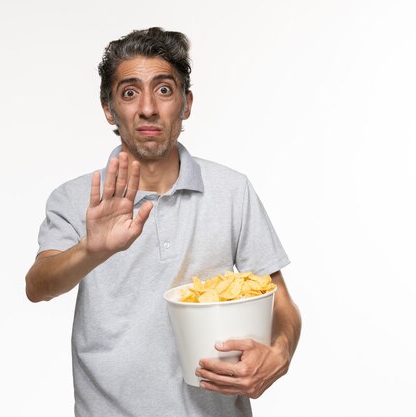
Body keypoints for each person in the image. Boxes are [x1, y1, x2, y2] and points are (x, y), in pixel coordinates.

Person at [26, 27, 301, 417]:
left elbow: (281, 304)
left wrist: (280, 354)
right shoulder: (76, 198)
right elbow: (38, 286)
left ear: (186, 104)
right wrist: (91, 249)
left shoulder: (232, 190)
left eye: (164, 90)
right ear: (109, 108)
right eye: (129, 92)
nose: (149, 108)